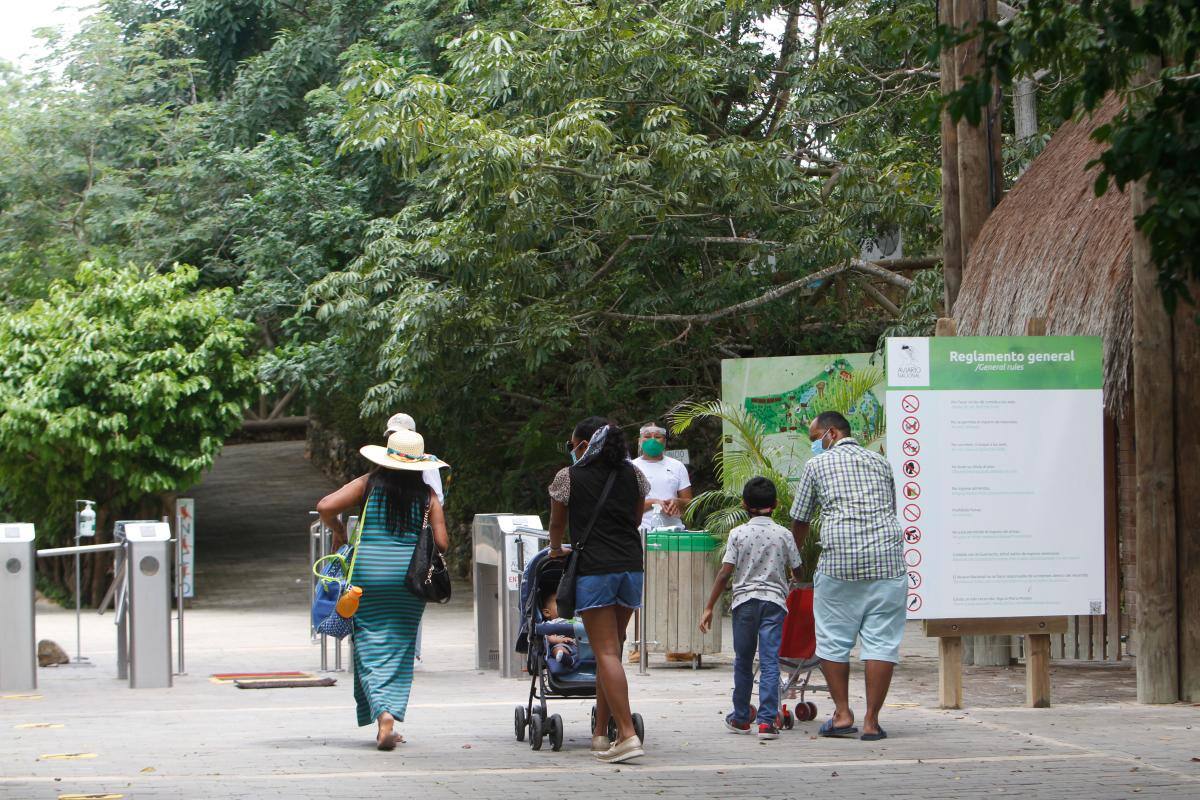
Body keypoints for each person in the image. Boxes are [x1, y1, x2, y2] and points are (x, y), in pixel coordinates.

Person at [316, 428, 450, 751]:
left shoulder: (367, 485)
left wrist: (339, 532)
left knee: (368, 646)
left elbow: (324, 507)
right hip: (409, 583)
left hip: (367, 581)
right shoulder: (428, 496)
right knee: (399, 650)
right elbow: (442, 543)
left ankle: (384, 720)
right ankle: (387, 717)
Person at [789, 411, 906, 742]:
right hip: (887, 561)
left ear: (831, 433)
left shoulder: (816, 466)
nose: (814, 445)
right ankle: (871, 722)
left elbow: (800, 520)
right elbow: (890, 510)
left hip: (840, 562)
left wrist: (794, 563)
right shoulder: (881, 463)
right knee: (882, 641)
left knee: (832, 639)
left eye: (815, 439)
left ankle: (842, 714)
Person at [548, 417, 649, 763]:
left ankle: (627, 734)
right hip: (631, 567)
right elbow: (635, 520)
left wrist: (555, 547)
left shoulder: (568, 477)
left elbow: (557, 523)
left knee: (604, 652)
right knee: (614, 651)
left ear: (583, 444)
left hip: (595, 569)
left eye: (571, 444)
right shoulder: (633, 474)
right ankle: (600, 734)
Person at [699, 477, 802, 740]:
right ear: (776, 504)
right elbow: (799, 571)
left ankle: (741, 718)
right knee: (769, 662)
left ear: (744, 504)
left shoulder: (737, 534)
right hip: (774, 604)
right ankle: (767, 722)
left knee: (743, 662)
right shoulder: (785, 534)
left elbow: (724, 574)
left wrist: (709, 607)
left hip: (743, 604)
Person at [631, 422, 692, 531]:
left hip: (674, 533)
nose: (652, 440)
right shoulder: (631, 467)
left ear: (664, 441)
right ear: (639, 441)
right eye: (647, 436)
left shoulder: (677, 466)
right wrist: (653, 503)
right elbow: (625, 506)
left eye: (658, 437)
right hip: (640, 532)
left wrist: (678, 502)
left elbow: (690, 504)